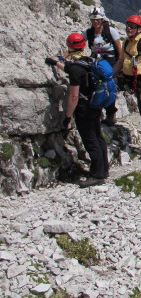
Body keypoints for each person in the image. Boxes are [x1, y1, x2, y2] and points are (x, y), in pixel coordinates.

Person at [45, 33, 108, 187]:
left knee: (90, 140)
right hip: (95, 105)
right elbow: (69, 68)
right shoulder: (88, 61)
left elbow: (73, 96)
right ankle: (103, 168)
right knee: (98, 136)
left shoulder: (76, 68)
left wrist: (67, 116)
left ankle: (98, 175)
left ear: (70, 46)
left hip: (83, 109)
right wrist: (55, 63)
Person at [111, 15, 141, 156]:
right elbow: (120, 61)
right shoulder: (126, 42)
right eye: (128, 25)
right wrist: (109, 75)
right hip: (127, 78)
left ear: (139, 29)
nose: (129, 28)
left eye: (132, 26)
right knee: (109, 89)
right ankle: (110, 116)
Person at [83, 7, 122, 125]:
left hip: (110, 63)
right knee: (94, 86)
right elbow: (77, 42)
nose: (95, 22)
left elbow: (119, 48)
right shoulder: (88, 33)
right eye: (93, 19)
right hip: (96, 63)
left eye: (98, 19)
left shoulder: (110, 31)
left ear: (102, 19)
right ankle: (96, 112)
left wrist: (120, 65)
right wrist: (64, 55)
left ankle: (111, 114)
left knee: (109, 87)